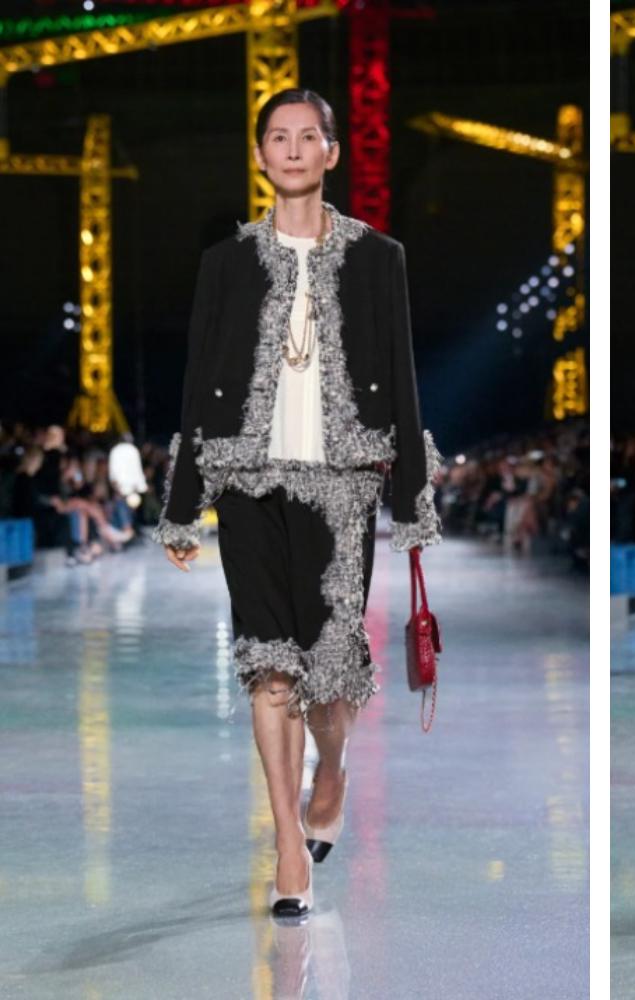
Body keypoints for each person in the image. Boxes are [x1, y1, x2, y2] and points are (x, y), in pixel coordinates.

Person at [153, 88, 442, 919]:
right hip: (247, 479)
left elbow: (403, 375)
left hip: (344, 484)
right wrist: (184, 503)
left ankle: (333, 768)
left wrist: (410, 499)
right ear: (259, 156)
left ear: (330, 152)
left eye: (306, 135)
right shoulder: (227, 263)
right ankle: (288, 844)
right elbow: (198, 382)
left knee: (332, 675)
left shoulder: (378, 257)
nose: (290, 148)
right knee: (269, 664)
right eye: (276, 137)